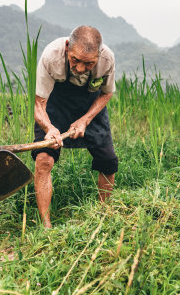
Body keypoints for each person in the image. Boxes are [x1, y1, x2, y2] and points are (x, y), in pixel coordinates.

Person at [31, 26, 118, 228]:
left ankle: (102, 216)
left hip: (90, 106)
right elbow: (38, 105)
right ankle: (46, 226)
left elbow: (106, 93)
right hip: (54, 104)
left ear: (99, 54)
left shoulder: (107, 59)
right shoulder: (51, 56)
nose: (79, 68)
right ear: (67, 47)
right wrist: (49, 128)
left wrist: (85, 120)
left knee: (108, 160)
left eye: (88, 64)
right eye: (75, 60)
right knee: (43, 159)